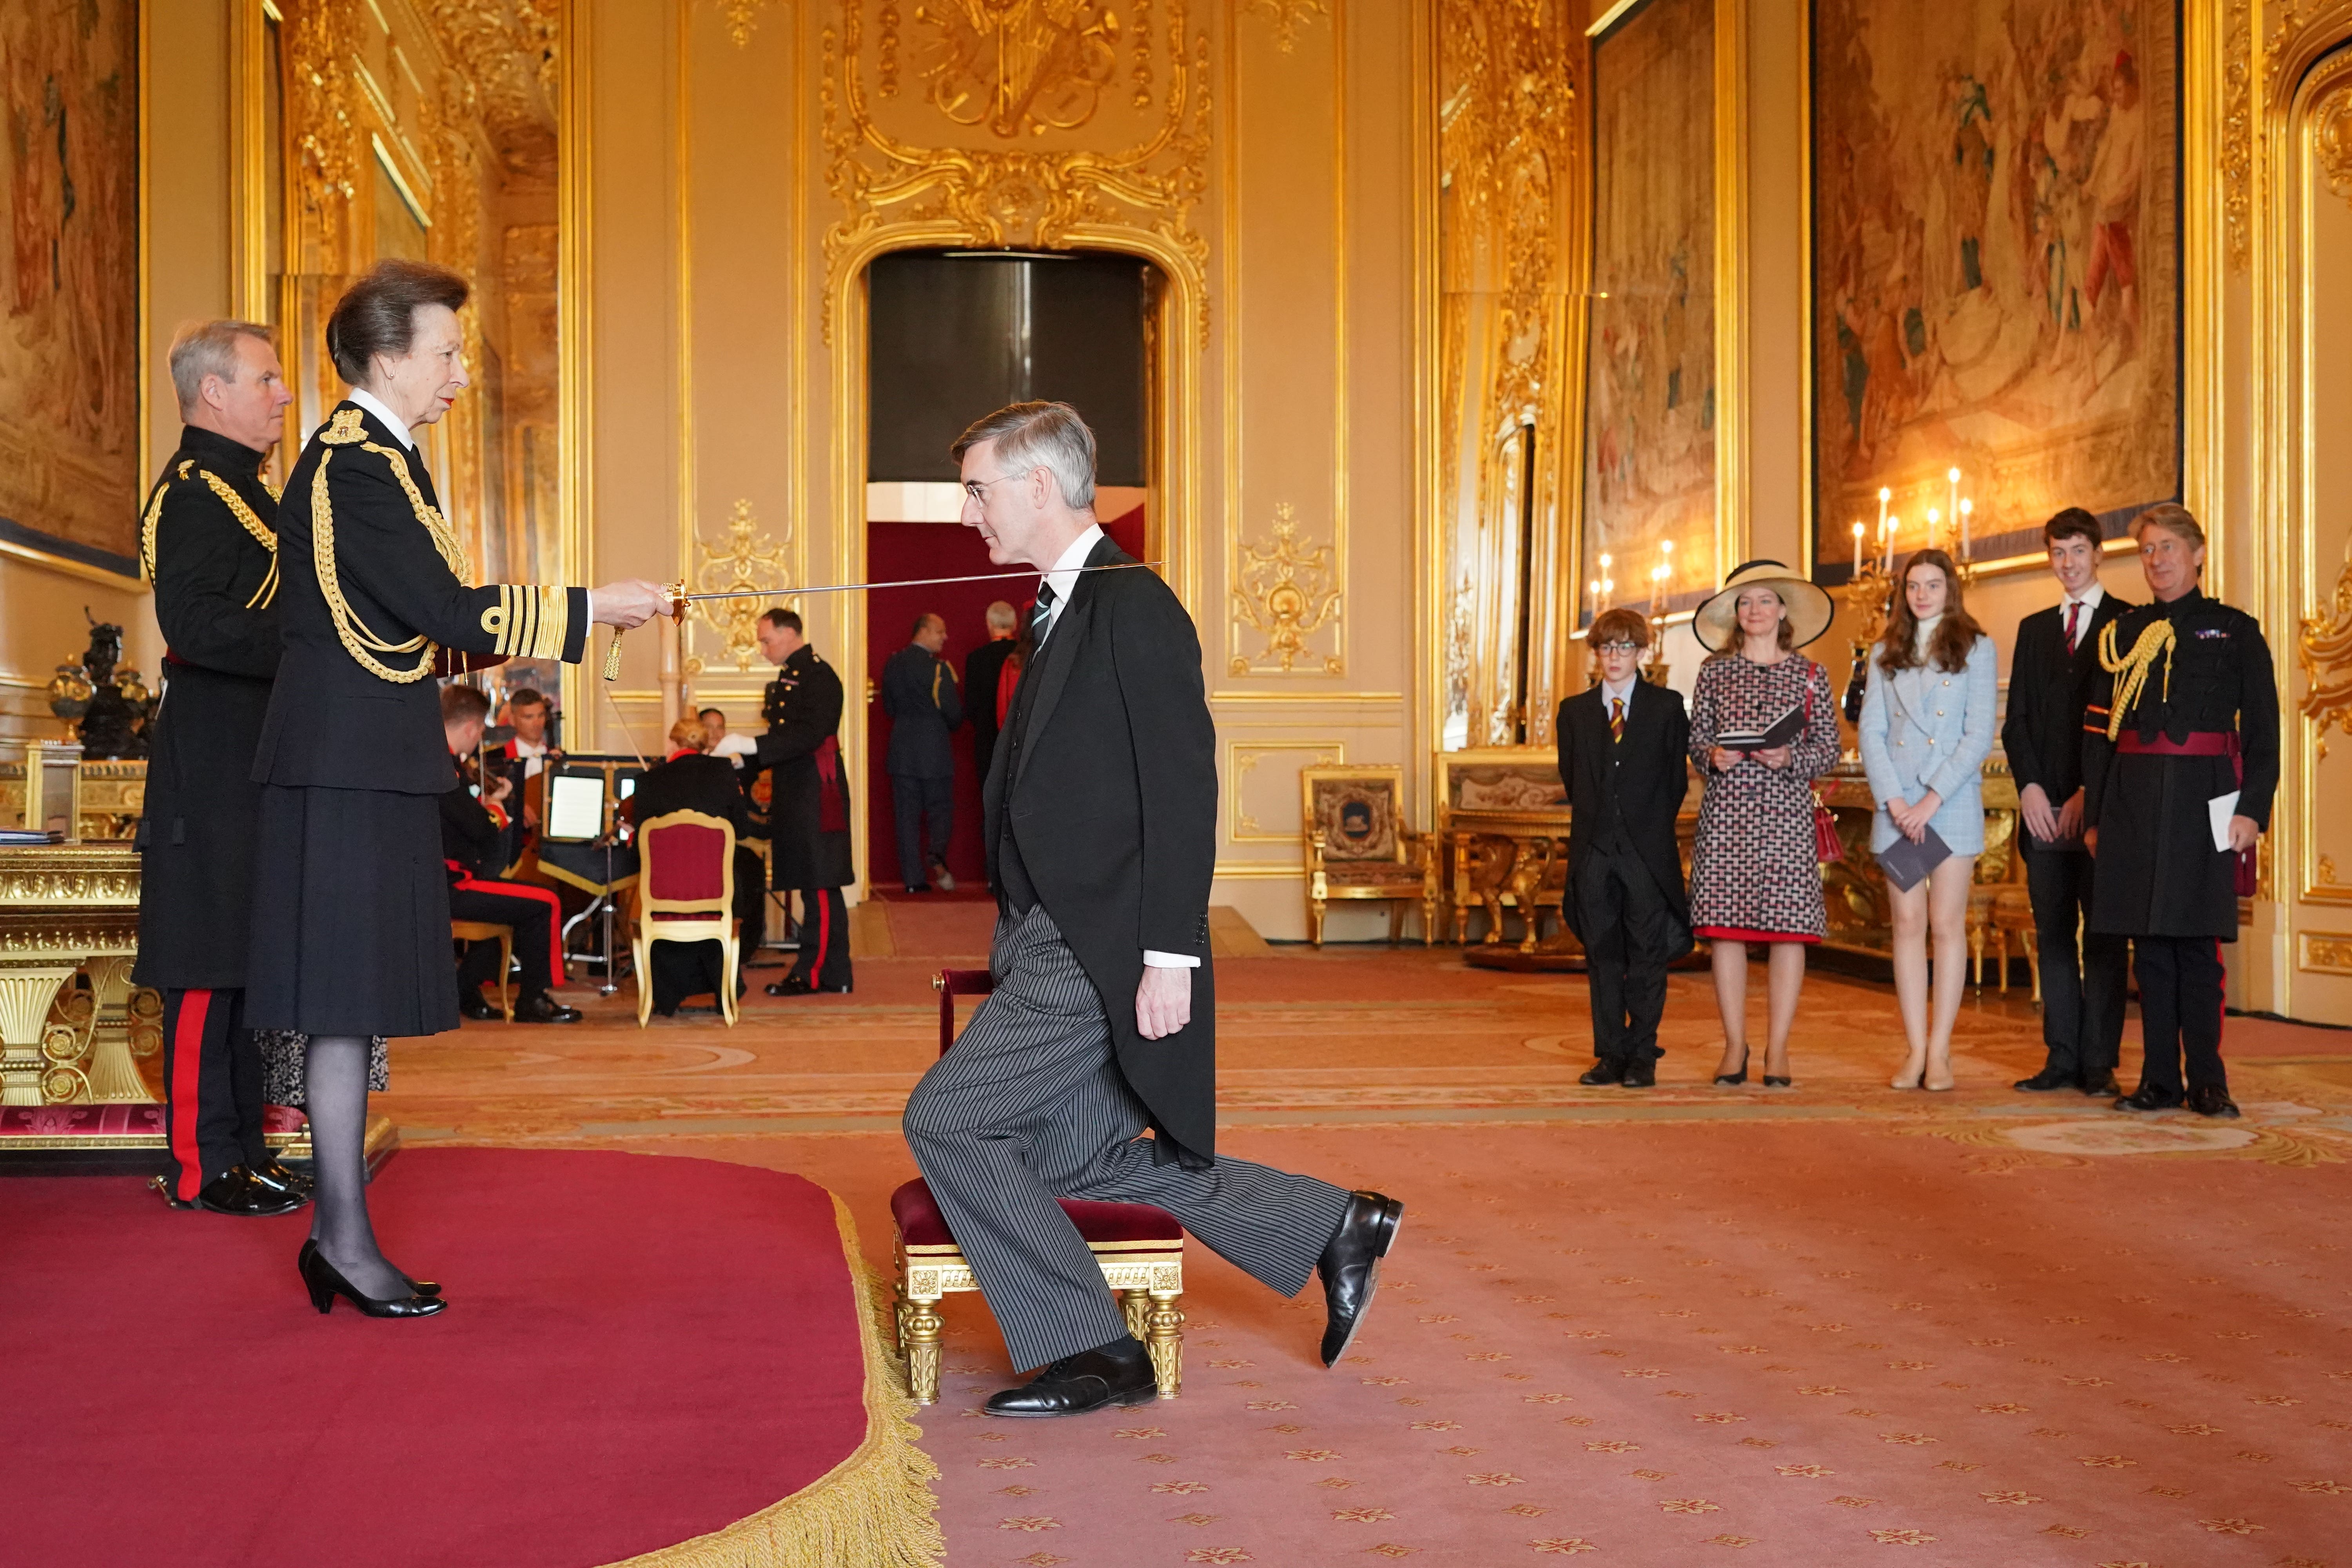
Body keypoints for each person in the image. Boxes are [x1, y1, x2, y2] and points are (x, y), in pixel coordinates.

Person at [904, 400, 1400, 1419]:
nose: (968, 515)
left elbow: (1182, 787)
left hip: (1099, 943)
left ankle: (1093, 1347)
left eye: (978, 491)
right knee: (1069, 1154)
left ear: (1038, 487)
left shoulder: (1133, 605)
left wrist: (1171, 953)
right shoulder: (1066, 603)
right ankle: (1330, 1226)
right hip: (1056, 933)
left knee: (946, 1117)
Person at [245, 258, 666, 1316]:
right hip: (344, 767)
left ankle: (340, 1234)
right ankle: (340, 1237)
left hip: (362, 758)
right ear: (386, 357)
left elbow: (405, 624)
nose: (459, 376)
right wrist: (589, 610)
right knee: (341, 1010)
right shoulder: (358, 464)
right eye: (445, 353)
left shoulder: (377, 460)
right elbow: (448, 608)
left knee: (351, 1014)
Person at [132, 319, 308, 1219]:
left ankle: (247, 1145)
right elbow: (195, 628)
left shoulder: (249, 491)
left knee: (246, 963)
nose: (283, 394)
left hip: (257, 752)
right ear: (215, 393)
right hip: (211, 756)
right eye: (267, 379)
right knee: (207, 963)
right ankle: (202, 1163)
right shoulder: (197, 491)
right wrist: (313, 641)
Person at [2083, 505, 2278, 1120]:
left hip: (2207, 797)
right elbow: (2098, 735)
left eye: (2168, 547)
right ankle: (2158, 1081)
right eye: (2147, 549)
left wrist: (2254, 811)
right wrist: (2096, 817)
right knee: (2150, 948)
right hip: (2134, 798)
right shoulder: (2121, 636)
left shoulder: (2236, 629)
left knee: (2196, 947)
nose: (2157, 559)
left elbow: (2265, 734)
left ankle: (2209, 1082)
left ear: (2197, 553)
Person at [1685, 560, 1841, 1089]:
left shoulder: (1811, 675)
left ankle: (1779, 1048)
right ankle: (1735, 1044)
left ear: (1782, 611)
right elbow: (1696, 741)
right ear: (1736, 614)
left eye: (1765, 601)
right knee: (1725, 933)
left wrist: (1789, 759)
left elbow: (1828, 749)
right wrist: (1713, 758)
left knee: (1787, 932)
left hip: (1785, 817)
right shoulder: (1713, 672)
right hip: (1727, 814)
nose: (1755, 611)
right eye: (1745, 603)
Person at [2002, 508, 2132, 1095]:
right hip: (2041, 811)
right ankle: (2061, 1057)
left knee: (2104, 935)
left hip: (2101, 811)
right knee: (2053, 932)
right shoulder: (2033, 630)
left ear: (2098, 554)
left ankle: (2099, 1061)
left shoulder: (2128, 623)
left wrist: (2088, 793)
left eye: (2078, 551)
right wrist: (2031, 787)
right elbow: (2017, 722)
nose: (2068, 563)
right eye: (2058, 553)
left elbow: (2124, 726)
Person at [1859, 549, 1998, 1092]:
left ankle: (1941, 1051)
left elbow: (1978, 732)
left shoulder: (1976, 648)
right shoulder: (1883, 652)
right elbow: (1872, 733)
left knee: (1945, 924)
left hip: (1950, 802)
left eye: (1932, 585)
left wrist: (1930, 800)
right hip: (1899, 807)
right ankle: (1915, 1049)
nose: (1921, 595)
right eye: (1913, 586)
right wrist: (1897, 803)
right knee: (1908, 926)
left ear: (1950, 590)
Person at [1555, 607, 1691, 1088]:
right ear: (1595, 653)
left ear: (1641, 651)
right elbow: (1575, 779)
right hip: (1594, 851)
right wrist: (1600, 835)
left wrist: (1643, 830)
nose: (1614, 657)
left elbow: (1675, 782)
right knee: (1604, 955)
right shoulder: (1574, 712)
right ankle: (1610, 1053)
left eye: (1624, 647)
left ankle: (1643, 1056)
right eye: (1606, 647)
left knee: (1647, 954)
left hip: (1646, 852)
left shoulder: (1667, 707)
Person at [437, 685, 579, 1025]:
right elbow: (482, 828)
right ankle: (533, 999)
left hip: (449, 876)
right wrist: (499, 805)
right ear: (471, 727)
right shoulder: (443, 767)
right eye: (481, 730)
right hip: (450, 883)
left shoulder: (441, 762)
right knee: (544, 901)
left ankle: (466, 989)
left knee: (504, 906)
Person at [627, 717, 768, 1013]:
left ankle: (665, 993)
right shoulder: (724, 774)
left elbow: (640, 847)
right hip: (718, 895)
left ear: (671, 744)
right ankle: (723, 989)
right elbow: (741, 831)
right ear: (704, 744)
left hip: (662, 898)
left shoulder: (648, 781)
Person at [751, 608, 856, 995]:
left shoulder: (818, 675)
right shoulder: (792, 675)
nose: (763, 649)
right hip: (799, 788)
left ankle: (814, 972)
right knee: (814, 882)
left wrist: (754, 747)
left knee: (820, 881)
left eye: (767, 640)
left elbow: (811, 734)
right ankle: (835, 972)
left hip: (817, 789)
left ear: (790, 633)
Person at [882, 612, 965, 892]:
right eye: (940, 632)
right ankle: (936, 855)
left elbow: (889, 708)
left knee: (906, 818)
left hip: (902, 752)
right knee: (940, 811)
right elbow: (954, 714)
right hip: (935, 753)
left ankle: (913, 881)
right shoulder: (939, 670)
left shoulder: (893, 664)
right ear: (924, 631)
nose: (945, 637)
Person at [965, 599, 1022, 788]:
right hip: (1020, 738)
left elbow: (971, 706)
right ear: (1015, 624)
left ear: (989, 624)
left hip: (988, 739)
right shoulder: (1025, 655)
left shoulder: (976, 659)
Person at [698, 705, 760, 769]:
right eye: (709, 727)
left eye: (720, 727)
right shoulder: (692, 759)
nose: (715, 732)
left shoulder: (739, 758)